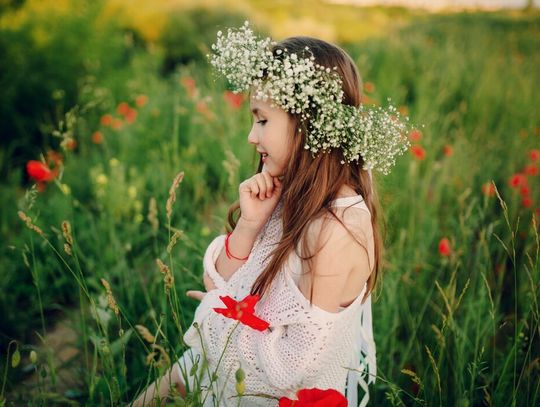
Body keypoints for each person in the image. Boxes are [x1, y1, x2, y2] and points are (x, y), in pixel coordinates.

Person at [132, 21, 410, 407]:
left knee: (186, 370)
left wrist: (215, 309)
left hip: (276, 392)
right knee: (177, 376)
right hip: (243, 362)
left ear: (308, 124)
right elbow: (220, 277)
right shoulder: (288, 195)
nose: (251, 135)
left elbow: (294, 365)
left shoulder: (336, 228)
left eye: (262, 119)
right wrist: (248, 226)